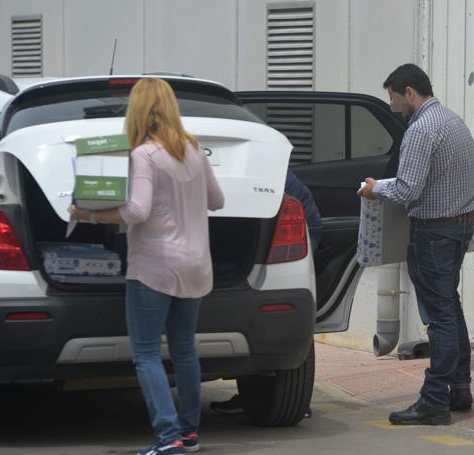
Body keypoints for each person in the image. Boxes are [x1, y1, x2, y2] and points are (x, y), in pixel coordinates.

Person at [69, 78, 225, 454]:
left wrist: (87, 212)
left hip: (155, 266)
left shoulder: (144, 155)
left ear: (137, 110)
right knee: (185, 350)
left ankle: (167, 437)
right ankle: (188, 434)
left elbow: (136, 211)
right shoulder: (192, 149)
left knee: (146, 354)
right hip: (196, 265)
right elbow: (217, 201)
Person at [357, 63, 474, 426]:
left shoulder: (421, 129)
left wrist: (375, 188)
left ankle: (434, 401)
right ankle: (460, 387)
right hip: (459, 226)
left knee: (439, 316)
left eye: (394, 98)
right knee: (450, 308)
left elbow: (408, 189)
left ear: (410, 92)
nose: (393, 107)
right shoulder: (453, 121)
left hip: (433, 234)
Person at [209, 168, 321, 418]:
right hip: (282, 237)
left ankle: (286, 400)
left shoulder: (268, 170)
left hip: (294, 232)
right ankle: (281, 398)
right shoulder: (263, 160)